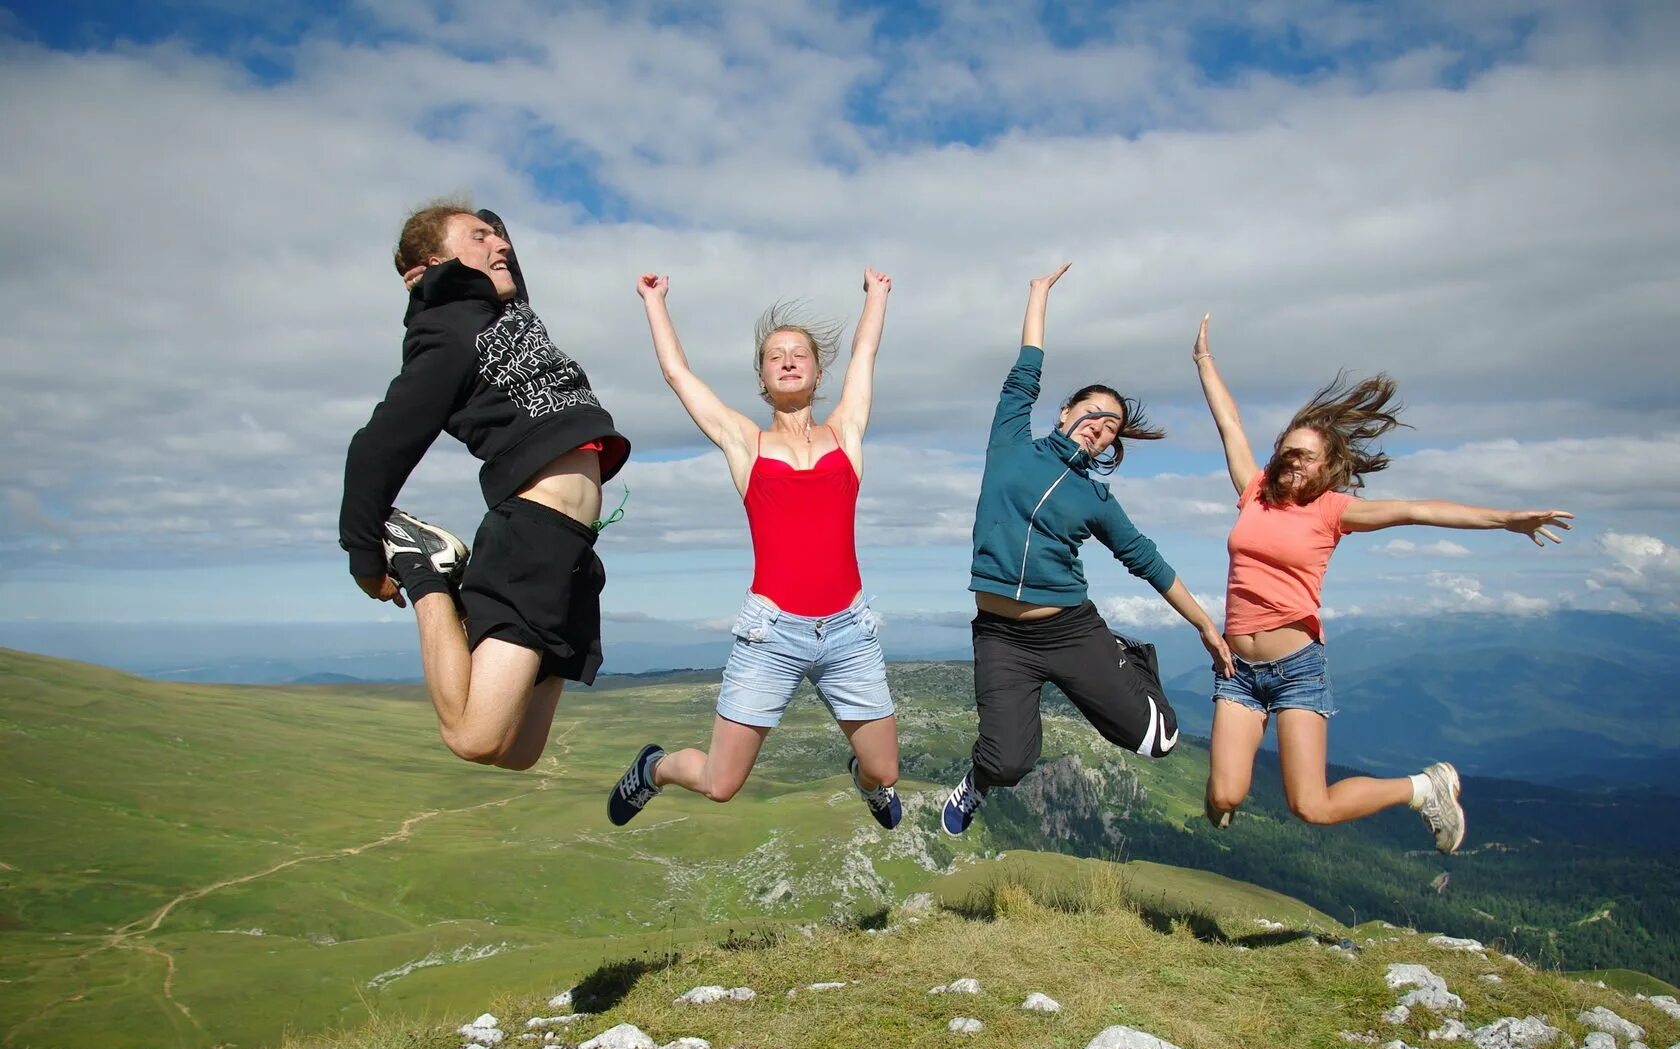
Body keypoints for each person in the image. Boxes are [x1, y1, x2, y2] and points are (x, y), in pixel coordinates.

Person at [1191, 314, 1573, 852]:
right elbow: (1229, 422)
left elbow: (1418, 509)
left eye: (1306, 456)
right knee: (1224, 797)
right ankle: (1224, 798)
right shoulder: (1254, 491)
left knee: (1311, 806)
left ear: (1327, 467)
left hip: (1296, 668)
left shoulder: (1334, 511)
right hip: (1237, 667)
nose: (1293, 462)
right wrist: (1203, 360)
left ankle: (1422, 788)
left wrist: (1506, 519)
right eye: (1288, 452)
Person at [941, 264, 1233, 836]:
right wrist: (1037, 294)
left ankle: (1130, 655)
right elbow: (1025, 368)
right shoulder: (1009, 441)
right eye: (1095, 412)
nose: (1102, 426)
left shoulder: (1096, 498)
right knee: (1008, 762)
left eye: (1113, 427)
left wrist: (1204, 625)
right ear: (1066, 411)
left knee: (1161, 740)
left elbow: (1149, 562)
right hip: (1001, 636)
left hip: (1069, 629)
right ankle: (977, 782)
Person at [607, 269, 902, 829]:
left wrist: (878, 295)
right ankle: (655, 768)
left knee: (883, 772)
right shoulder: (747, 443)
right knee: (720, 785)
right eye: (775, 356)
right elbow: (677, 374)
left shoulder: (847, 434)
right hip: (772, 633)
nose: (788, 361)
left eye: (799, 354)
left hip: (848, 629)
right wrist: (654, 300)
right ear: (763, 378)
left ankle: (863, 781)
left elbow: (866, 354)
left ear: (817, 373)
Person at [338, 202, 629, 771]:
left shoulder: (510, 309)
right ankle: (423, 567)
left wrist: (486, 227)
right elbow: (377, 446)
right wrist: (363, 555)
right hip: (531, 535)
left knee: (518, 753)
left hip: (572, 548)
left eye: (499, 238)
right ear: (436, 262)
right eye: (480, 238)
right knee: (472, 738)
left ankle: (441, 579)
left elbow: (506, 254)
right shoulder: (446, 332)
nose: (499, 245)